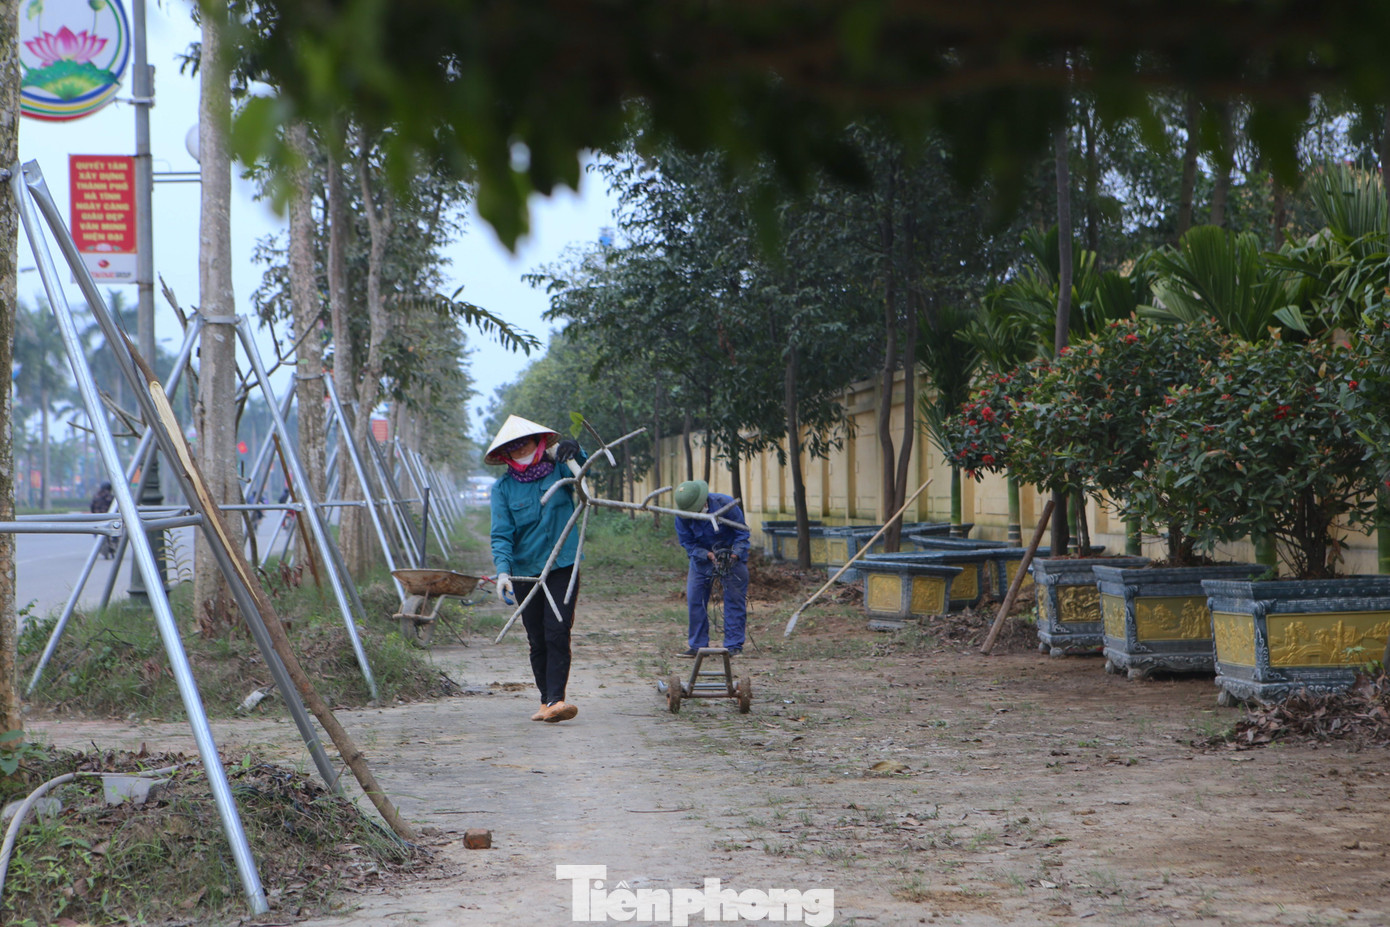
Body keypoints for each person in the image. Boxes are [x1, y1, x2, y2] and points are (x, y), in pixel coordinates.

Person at [487, 415, 586, 723]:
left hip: (562, 564)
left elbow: (584, 474)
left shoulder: (560, 470)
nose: (521, 452)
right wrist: (503, 572)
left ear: (539, 443)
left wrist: (575, 451)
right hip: (524, 570)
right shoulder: (502, 489)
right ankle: (545, 700)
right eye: (513, 449)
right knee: (537, 637)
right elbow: (501, 534)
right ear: (505, 455)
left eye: (525, 445)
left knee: (557, 631)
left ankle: (557, 699)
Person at [673, 479, 750, 657]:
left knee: (734, 600)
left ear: (703, 501)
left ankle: (733, 646)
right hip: (701, 559)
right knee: (695, 599)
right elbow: (687, 543)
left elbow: (742, 532)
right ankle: (698, 646)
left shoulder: (725, 504)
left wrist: (734, 554)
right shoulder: (682, 516)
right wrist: (707, 555)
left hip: (731, 556)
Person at [90, 481, 116, 559]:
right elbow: (116, 508)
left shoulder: (96, 496)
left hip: (98, 518)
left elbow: (92, 507)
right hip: (110, 518)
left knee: (96, 532)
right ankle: (114, 543)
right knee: (116, 531)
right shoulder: (111, 497)